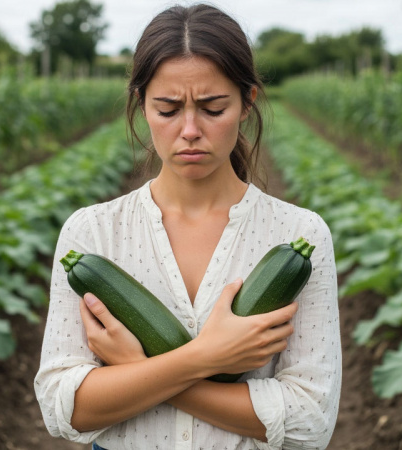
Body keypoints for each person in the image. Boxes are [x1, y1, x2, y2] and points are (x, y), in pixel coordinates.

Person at [34, 4, 341, 449]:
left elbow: (310, 419)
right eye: (168, 109)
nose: (190, 129)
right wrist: (205, 357)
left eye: (213, 108)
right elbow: (63, 407)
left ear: (247, 102)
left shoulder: (300, 233)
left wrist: (138, 369)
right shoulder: (92, 233)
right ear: (142, 105)